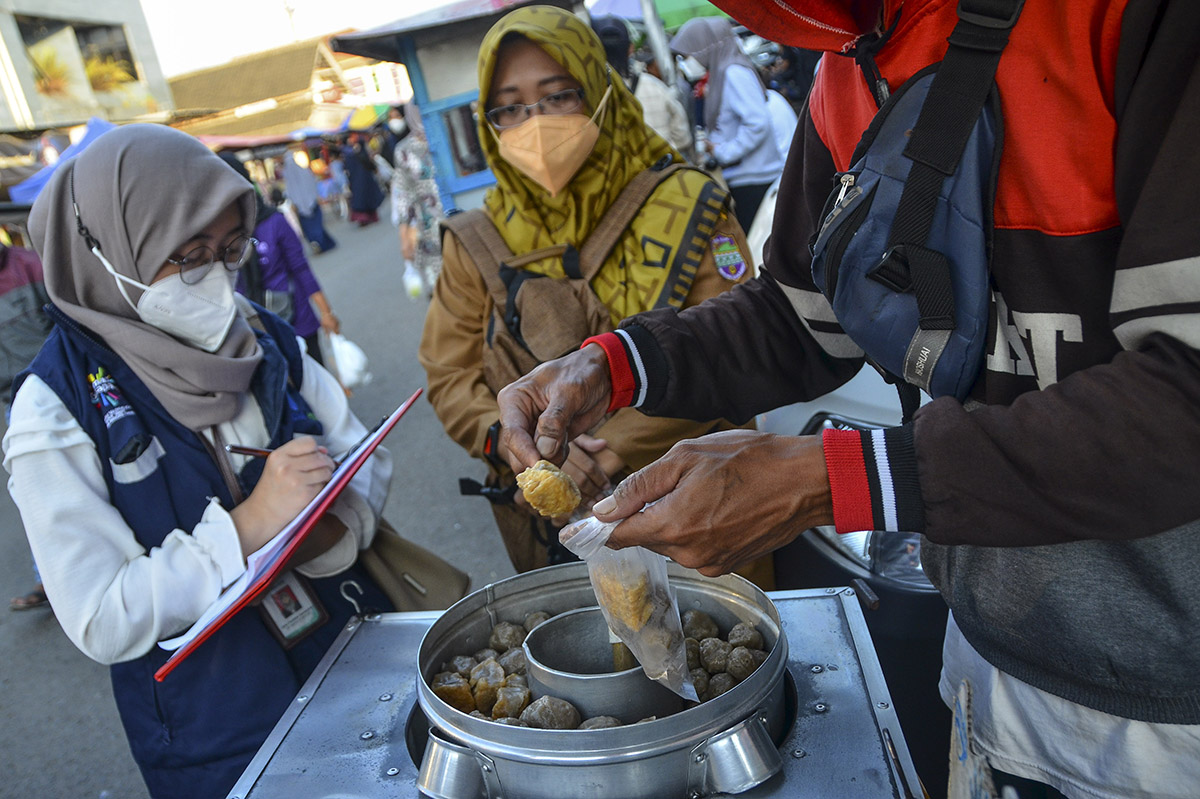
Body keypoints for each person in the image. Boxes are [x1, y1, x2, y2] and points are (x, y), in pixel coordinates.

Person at [495, 2, 1200, 798]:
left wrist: (837, 478)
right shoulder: (847, 66)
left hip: (1169, 704)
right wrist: (613, 365)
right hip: (988, 645)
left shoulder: (1133, 23)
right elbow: (801, 316)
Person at [2, 124, 394, 798]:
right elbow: (101, 613)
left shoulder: (262, 333)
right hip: (219, 736)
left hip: (351, 657)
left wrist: (339, 519)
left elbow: (364, 450)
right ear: (106, 247)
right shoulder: (55, 409)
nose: (213, 278)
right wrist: (246, 530)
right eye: (187, 256)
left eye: (229, 249)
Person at [418, 5, 768, 583]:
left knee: (724, 658)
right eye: (510, 108)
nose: (536, 123)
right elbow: (449, 376)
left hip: (701, 506)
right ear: (489, 123)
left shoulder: (687, 206)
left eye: (559, 96)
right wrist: (510, 440)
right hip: (561, 535)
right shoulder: (475, 239)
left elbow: (743, 344)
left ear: (600, 91)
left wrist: (612, 446)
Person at [220, 152, 341, 366]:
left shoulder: (274, 222)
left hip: (296, 322)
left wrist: (326, 312)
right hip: (254, 334)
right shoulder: (218, 238)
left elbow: (301, 269)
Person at [672, 17, 786, 231]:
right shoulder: (722, 72)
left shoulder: (733, 73)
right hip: (745, 177)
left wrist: (723, 152)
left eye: (689, 54)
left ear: (705, 47)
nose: (686, 60)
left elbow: (757, 123)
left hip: (754, 179)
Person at [0, 241, 53, 611]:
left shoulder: (31, 265)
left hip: (59, 393)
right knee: (35, 493)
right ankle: (47, 579)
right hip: (14, 406)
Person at [389, 103, 445, 298]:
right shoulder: (404, 150)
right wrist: (405, 238)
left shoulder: (448, 132)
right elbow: (403, 196)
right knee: (442, 291)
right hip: (429, 230)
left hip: (461, 218)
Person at [280, 147, 337, 254]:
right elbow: (312, 185)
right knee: (317, 226)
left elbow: (290, 193)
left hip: (304, 207)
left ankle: (319, 244)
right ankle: (323, 244)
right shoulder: (302, 171)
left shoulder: (289, 176)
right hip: (311, 204)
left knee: (312, 228)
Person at [342, 134, 385, 227]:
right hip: (359, 178)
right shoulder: (350, 151)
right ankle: (365, 218)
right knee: (362, 197)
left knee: (363, 197)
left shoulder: (355, 149)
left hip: (361, 178)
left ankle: (368, 217)